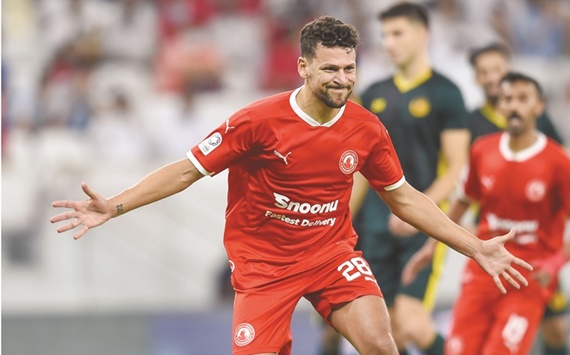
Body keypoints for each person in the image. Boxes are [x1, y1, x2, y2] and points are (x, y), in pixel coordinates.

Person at [50, 16, 531, 355]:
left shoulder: (365, 129)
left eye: (349, 68)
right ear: (303, 67)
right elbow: (185, 170)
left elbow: (404, 198)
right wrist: (112, 207)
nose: (342, 79)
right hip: (263, 268)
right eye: (330, 69)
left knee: (382, 345)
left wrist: (477, 248)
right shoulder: (256, 122)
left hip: (331, 256)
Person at [404, 72, 570, 355]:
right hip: (482, 273)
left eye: (522, 99)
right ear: (500, 106)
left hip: (527, 278)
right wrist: (430, 247)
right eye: (507, 99)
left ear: (538, 106)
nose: (514, 106)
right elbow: (462, 202)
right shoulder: (483, 151)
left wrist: (554, 265)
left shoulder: (557, 161)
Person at [355, 3, 470, 354]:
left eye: (397, 33)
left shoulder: (447, 93)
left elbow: (456, 167)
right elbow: (358, 168)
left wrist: (418, 210)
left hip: (421, 226)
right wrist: (341, 217)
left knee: (411, 321)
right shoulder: (372, 93)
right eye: (385, 35)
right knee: (383, 331)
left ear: (423, 35)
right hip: (374, 224)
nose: (389, 43)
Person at [467, 43, 570, 355]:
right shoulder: (470, 124)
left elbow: (561, 177)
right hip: (491, 240)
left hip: (536, 244)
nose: (491, 78)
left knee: (556, 329)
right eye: (483, 72)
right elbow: (465, 183)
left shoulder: (541, 120)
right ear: (476, 79)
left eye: (496, 69)